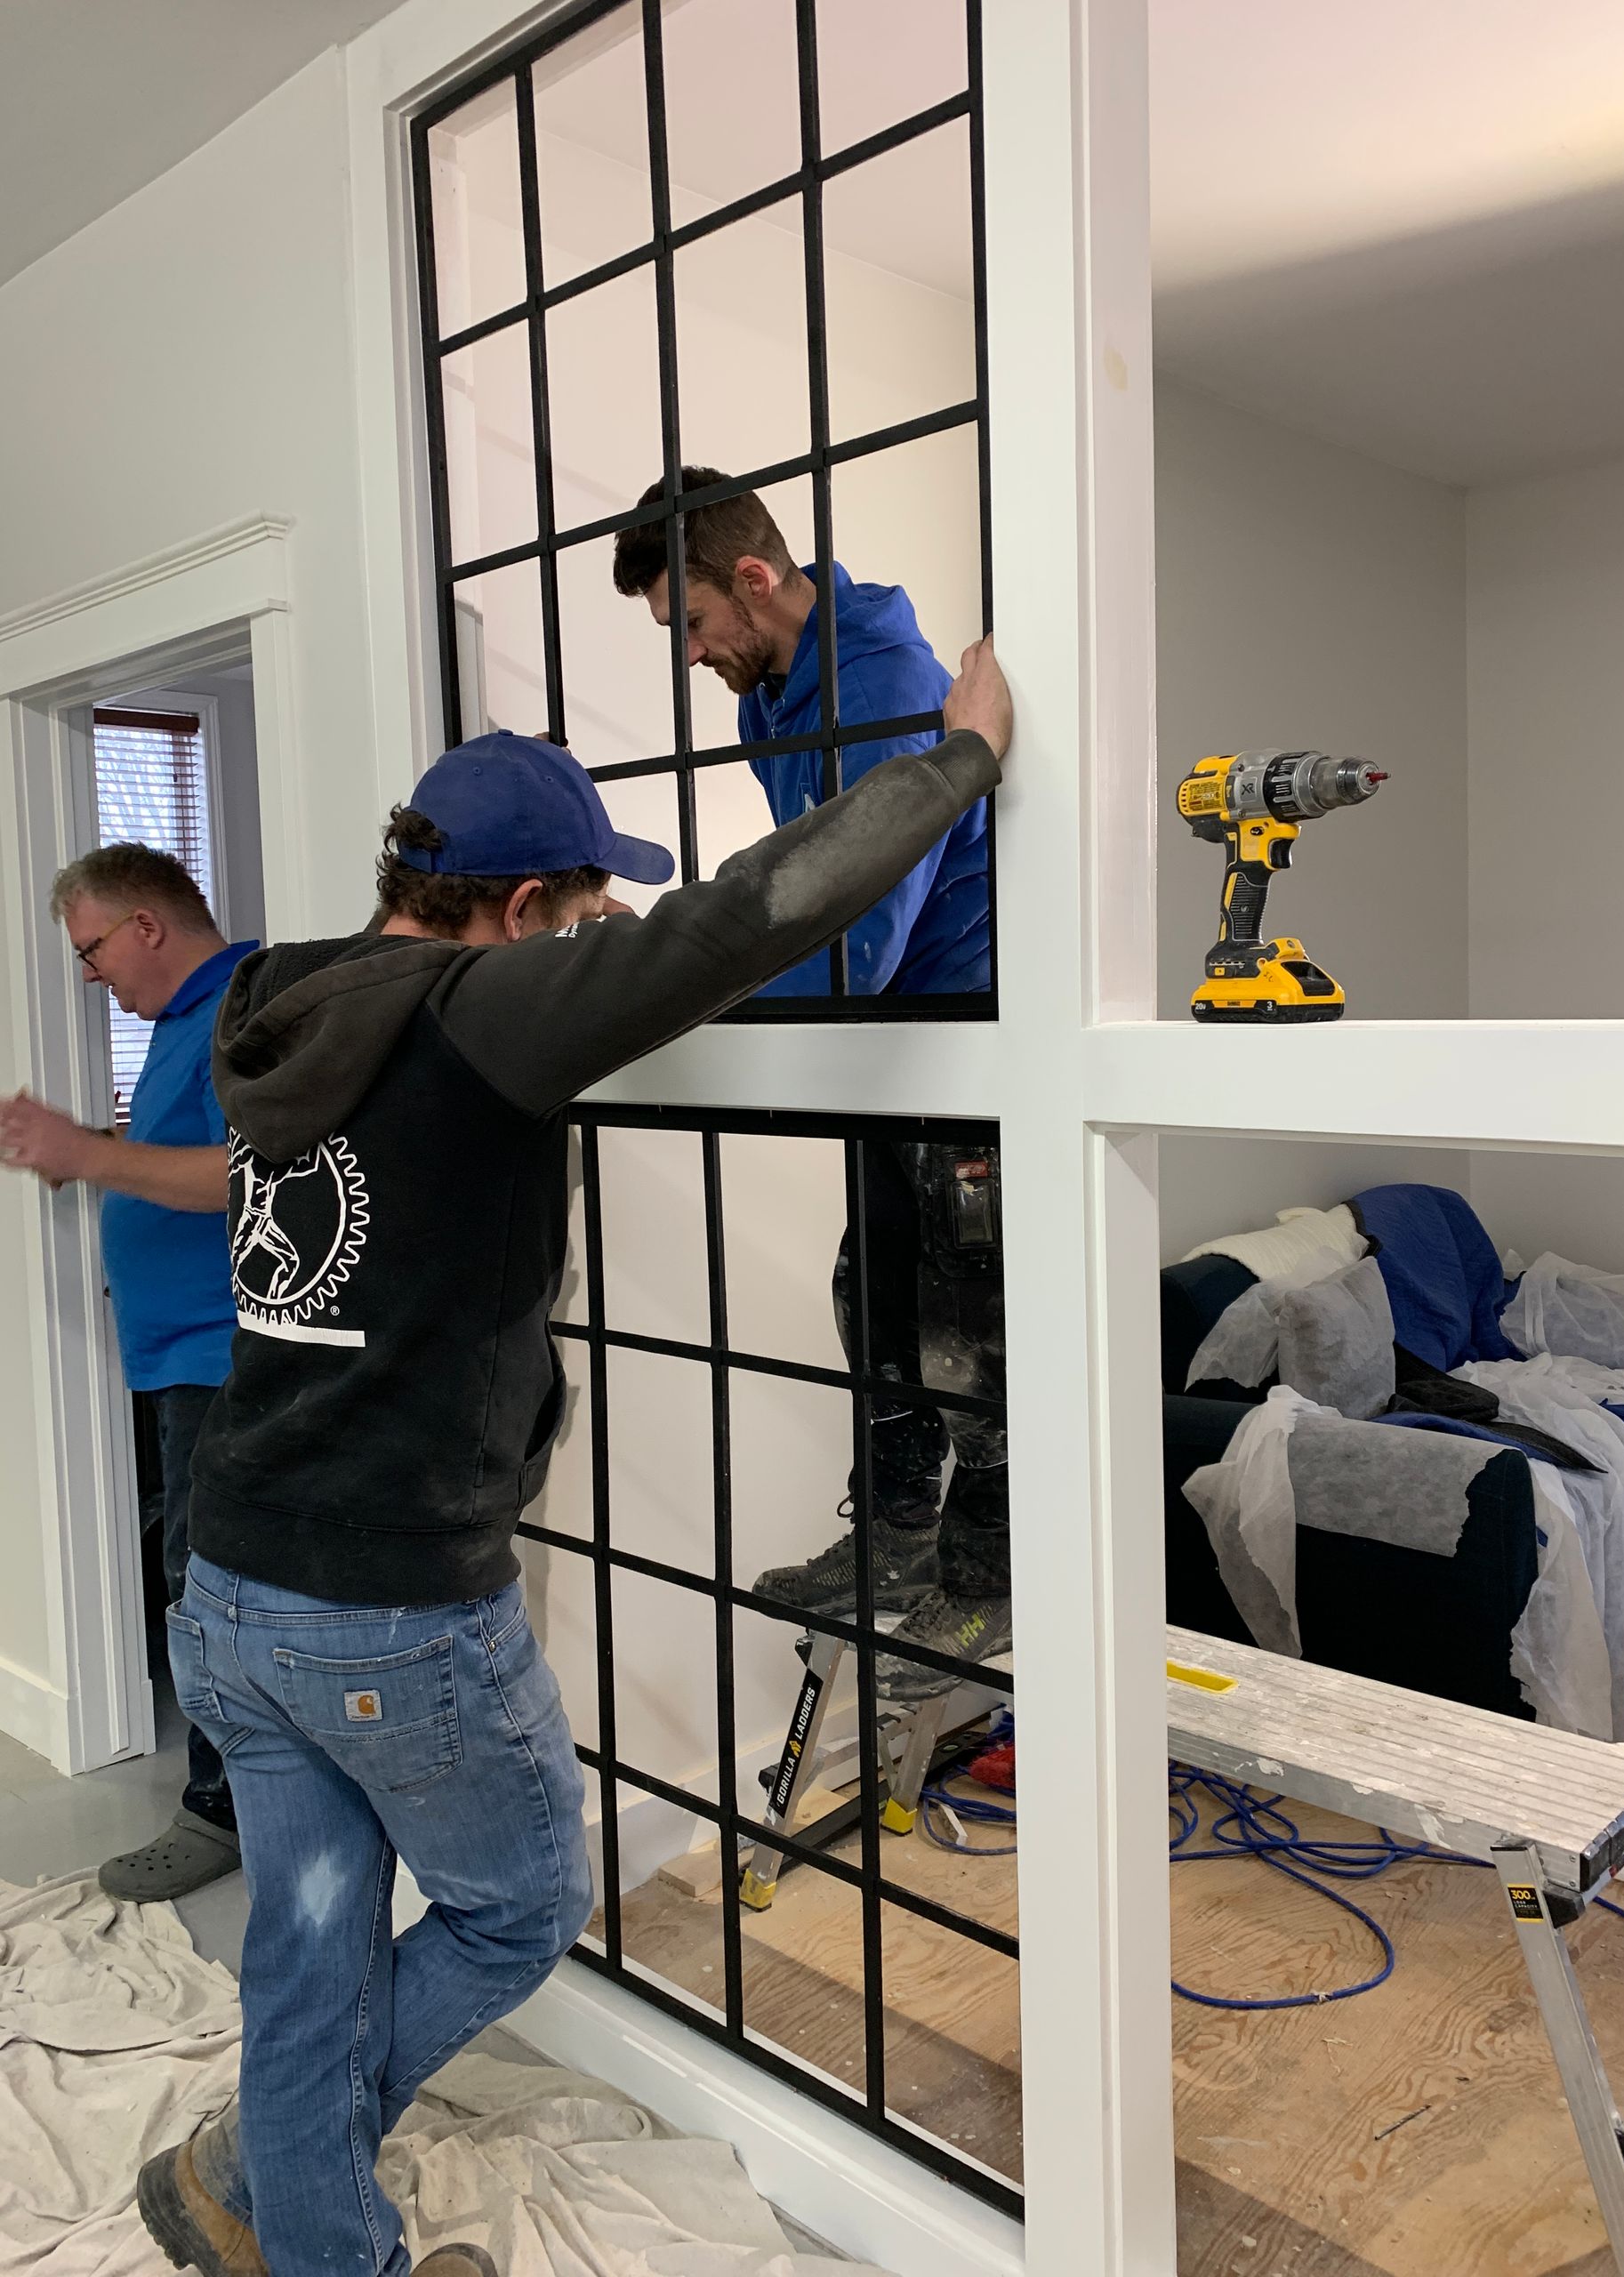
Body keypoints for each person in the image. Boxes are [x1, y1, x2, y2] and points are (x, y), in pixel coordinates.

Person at [134, 653, 1009, 2277]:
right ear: (522, 905)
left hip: (233, 1569)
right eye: (584, 907)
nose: (603, 930)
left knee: (313, 1940)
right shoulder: (484, 1015)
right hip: (387, 1605)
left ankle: (286, 2216)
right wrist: (954, 762)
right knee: (525, 1904)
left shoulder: (285, 995)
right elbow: (745, 917)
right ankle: (282, 2166)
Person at [614, 480, 1009, 1697]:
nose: (689, 657)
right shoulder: (772, 691)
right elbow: (799, 875)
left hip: (958, 1029)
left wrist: (706, 990)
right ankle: (894, 1538)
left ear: (750, 580)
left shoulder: (879, 684)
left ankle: (988, 1580)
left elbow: (862, 932)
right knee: (875, 1286)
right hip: (885, 1042)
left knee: (966, 1319)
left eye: (687, 625)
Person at [0, 845, 256, 1896]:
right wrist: (94, 1149)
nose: (93, 974)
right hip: (175, 1355)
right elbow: (186, 1153)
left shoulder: (244, 1008)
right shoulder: (177, 1024)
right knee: (195, 1581)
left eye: (93, 949)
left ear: (148, 924)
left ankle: (220, 1812)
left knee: (204, 1594)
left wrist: (93, 1155)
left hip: (223, 1356)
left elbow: (254, 1174)